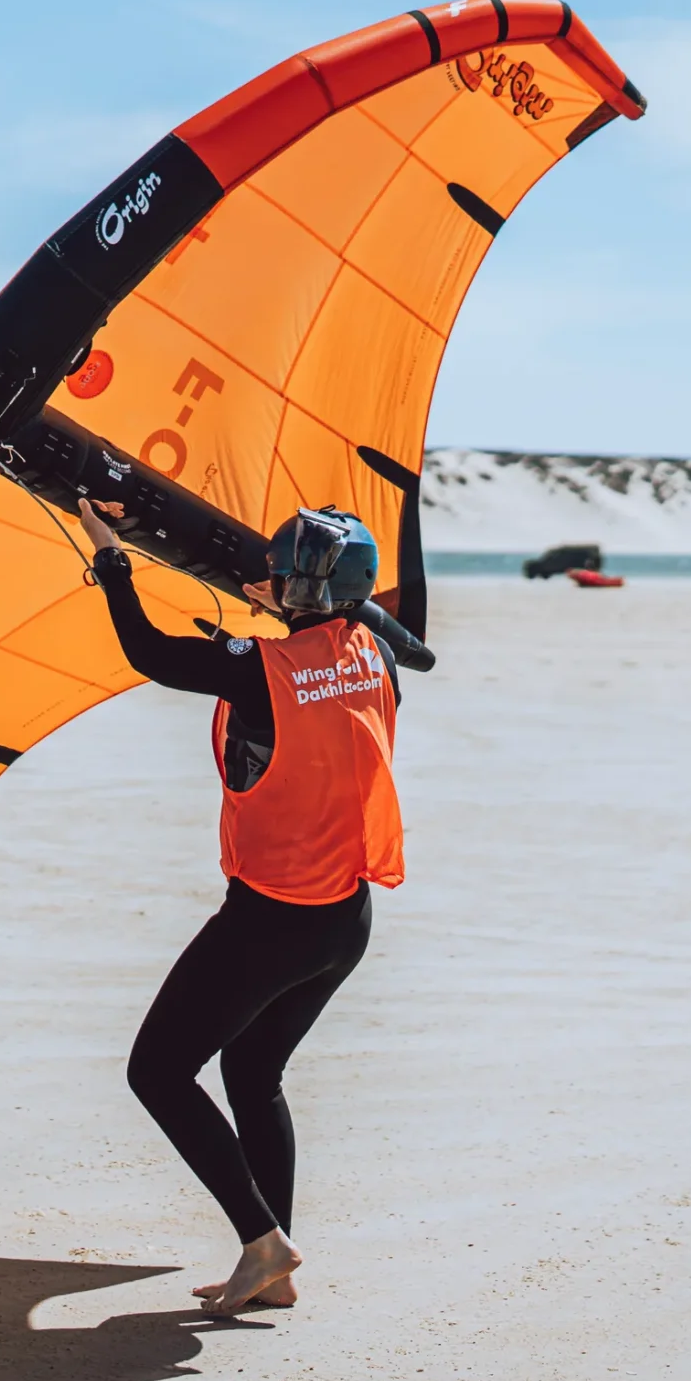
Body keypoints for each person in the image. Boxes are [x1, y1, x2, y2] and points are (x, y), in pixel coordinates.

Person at [76, 495, 406, 1316]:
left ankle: (263, 1239)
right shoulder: (379, 653)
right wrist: (283, 604)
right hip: (347, 919)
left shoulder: (261, 670)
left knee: (156, 1070)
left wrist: (111, 557)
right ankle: (276, 1269)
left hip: (272, 922)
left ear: (296, 592)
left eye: (280, 572)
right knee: (253, 1071)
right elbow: (316, 653)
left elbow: (151, 650)